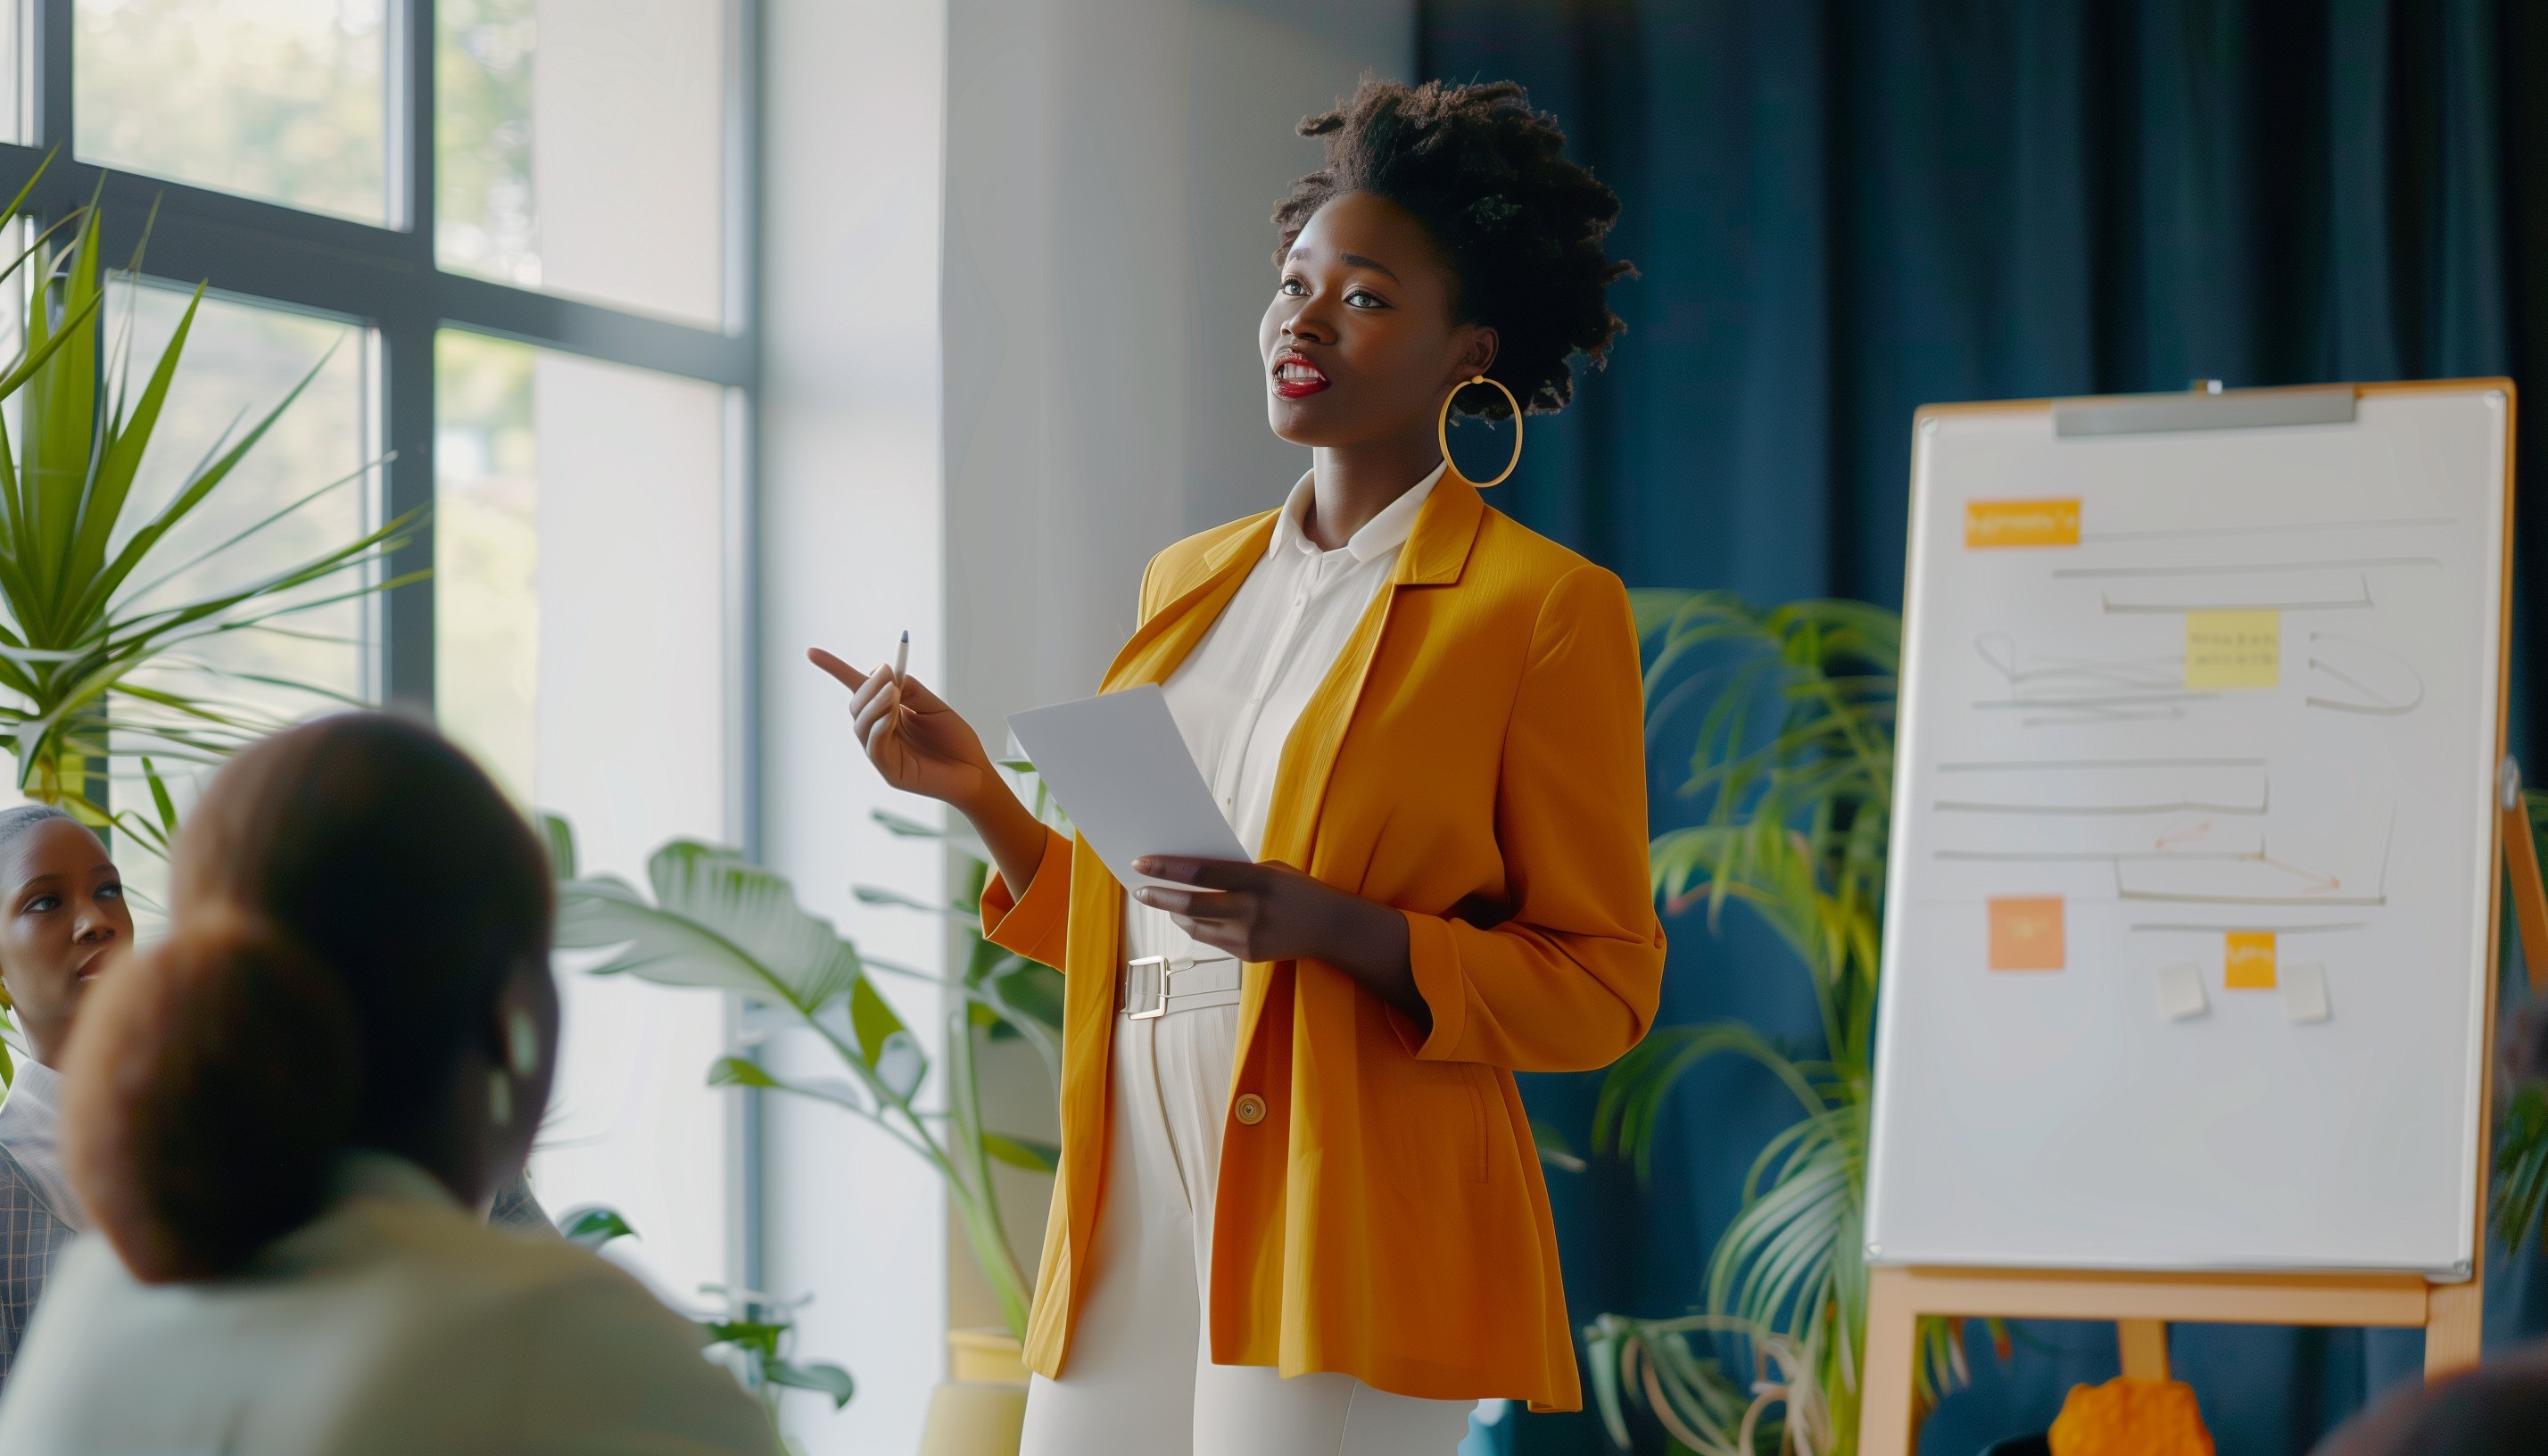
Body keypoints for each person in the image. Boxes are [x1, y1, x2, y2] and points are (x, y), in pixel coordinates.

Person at [811, 77, 1664, 1455]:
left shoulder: (1538, 608)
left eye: (1367, 296)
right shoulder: (1189, 581)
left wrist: (1331, 927)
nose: (1302, 319)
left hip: (1355, 1200)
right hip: (1131, 1176)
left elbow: (1603, 984)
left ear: (1471, 352)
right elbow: (1133, 913)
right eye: (1292, 281)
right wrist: (977, 795)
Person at [0, 715, 773, 1456]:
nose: (94, 921)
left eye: (109, 890)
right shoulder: (570, 1340)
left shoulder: (89, 1320)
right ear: (518, 1018)